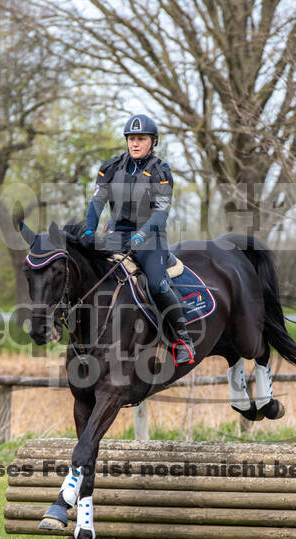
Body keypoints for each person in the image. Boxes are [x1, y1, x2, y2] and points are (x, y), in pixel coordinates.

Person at [81, 113, 195, 365]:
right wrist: (89, 232)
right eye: (131, 138)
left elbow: (161, 213)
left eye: (141, 139)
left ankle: (182, 340)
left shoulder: (161, 171)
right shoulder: (109, 168)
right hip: (115, 236)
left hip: (150, 239)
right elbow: (96, 203)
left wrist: (142, 234)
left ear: (153, 142)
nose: (135, 143)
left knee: (157, 285)